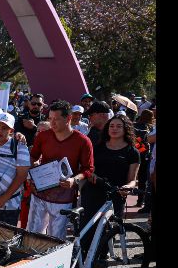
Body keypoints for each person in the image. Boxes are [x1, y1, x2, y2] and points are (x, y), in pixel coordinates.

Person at [27, 100, 94, 239]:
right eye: (50, 119)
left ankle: (53, 261)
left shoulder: (83, 141)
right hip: (40, 193)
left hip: (64, 196)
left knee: (56, 239)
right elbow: (33, 157)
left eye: (56, 119)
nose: (52, 123)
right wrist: (32, 176)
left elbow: (88, 169)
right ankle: (31, 260)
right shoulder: (43, 136)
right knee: (32, 235)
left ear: (68, 119)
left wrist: (74, 180)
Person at [79, 115, 139, 253]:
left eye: (119, 126)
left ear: (126, 129)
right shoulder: (97, 147)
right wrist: (91, 174)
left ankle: (100, 261)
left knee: (107, 230)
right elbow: (87, 168)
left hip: (116, 193)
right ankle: (82, 261)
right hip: (93, 191)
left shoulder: (132, 152)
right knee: (88, 227)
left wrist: (128, 187)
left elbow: (132, 179)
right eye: (112, 126)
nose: (114, 129)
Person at [132, 109, 154, 207]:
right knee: (142, 179)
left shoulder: (134, 126)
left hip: (133, 154)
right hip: (146, 156)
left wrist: (138, 147)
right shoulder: (150, 128)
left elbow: (134, 140)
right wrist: (143, 150)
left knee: (129, 177)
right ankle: (140, 201)